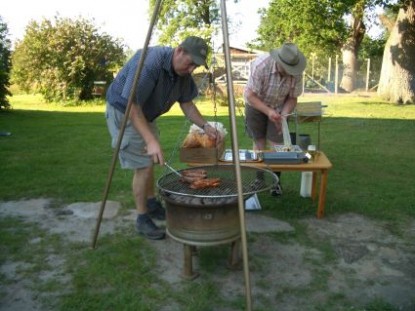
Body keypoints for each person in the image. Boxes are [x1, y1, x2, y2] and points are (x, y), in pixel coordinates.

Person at [105, 36, 218, 240]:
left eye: (196, 66)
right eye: (190, 63)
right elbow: (132, 104)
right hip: (124, 111)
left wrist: (205, 126)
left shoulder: (182, 73)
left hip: (144, 114)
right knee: (144, 164)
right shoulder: (151, 62)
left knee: (149, 159)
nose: (192, 69)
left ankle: (150, 203)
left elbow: (187, 104)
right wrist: (150, 140)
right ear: (179, 50)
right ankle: (142, 218)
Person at [244, 43, 306, 195]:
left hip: (279, 107)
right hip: (255, 105)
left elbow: (292, 98)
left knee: (277, 146)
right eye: (287, 69)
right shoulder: (261, 65)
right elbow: (250, 95)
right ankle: (259, 180)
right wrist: (268, 111)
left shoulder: (297, 72)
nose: (290, 73)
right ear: (279, 61)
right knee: (259, 142)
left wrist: (283, 115)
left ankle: (276, 183)